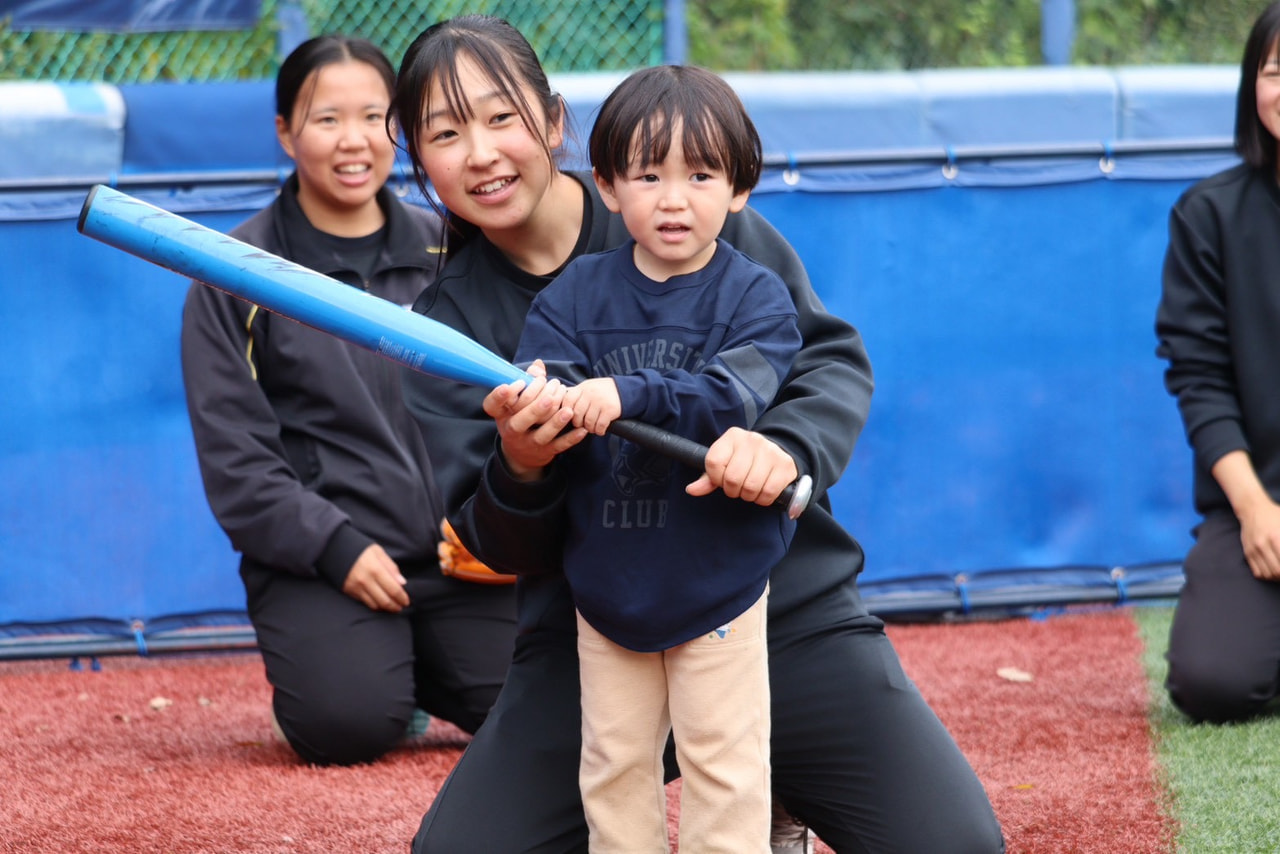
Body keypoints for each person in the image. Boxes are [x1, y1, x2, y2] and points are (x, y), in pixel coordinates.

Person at [391, 14, 1005, 853]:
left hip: (769, 610)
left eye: (502, 118)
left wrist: (783, 446)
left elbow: (827, 364)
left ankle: (777, 784)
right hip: (597, 631)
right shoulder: (446, 324)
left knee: (954, 846)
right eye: (446, 133)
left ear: (555, 121)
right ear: (418, 157)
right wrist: (522, 464)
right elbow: (496, 539)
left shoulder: (678, 204)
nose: (482, 153)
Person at [179, 34, 518, 767]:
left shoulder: (456, 249)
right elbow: (238, 462)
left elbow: (507, 403)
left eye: (373, 117)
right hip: (329, 562)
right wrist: (336, 547)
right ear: (285, 132)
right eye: (327, 119)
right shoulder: (236, 275)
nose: (354, 140)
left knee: (542, 711)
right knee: (345, 724)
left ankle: (418, 662)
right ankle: (378, 673)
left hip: (456, 554)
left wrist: (498, 524)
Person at [500, 64, 801, 852]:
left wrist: (626, 393)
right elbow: (546, 384)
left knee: (724, 766)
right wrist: (541, 403)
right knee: (613, 765)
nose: (673, 199)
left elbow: (730, 398)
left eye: (700, 175)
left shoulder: (758, 298)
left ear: (739, 189)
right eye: (648, 176)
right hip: (607, 585)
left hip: (720, 585)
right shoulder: (572, 295)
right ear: (606, 186)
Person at [1156, 0, 1280, 725]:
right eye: (1276, 71)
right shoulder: (1208, 215)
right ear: (1252, 85)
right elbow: (1198, 377)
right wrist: (1256, 509)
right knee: (1212, 681)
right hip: (1257, 503)